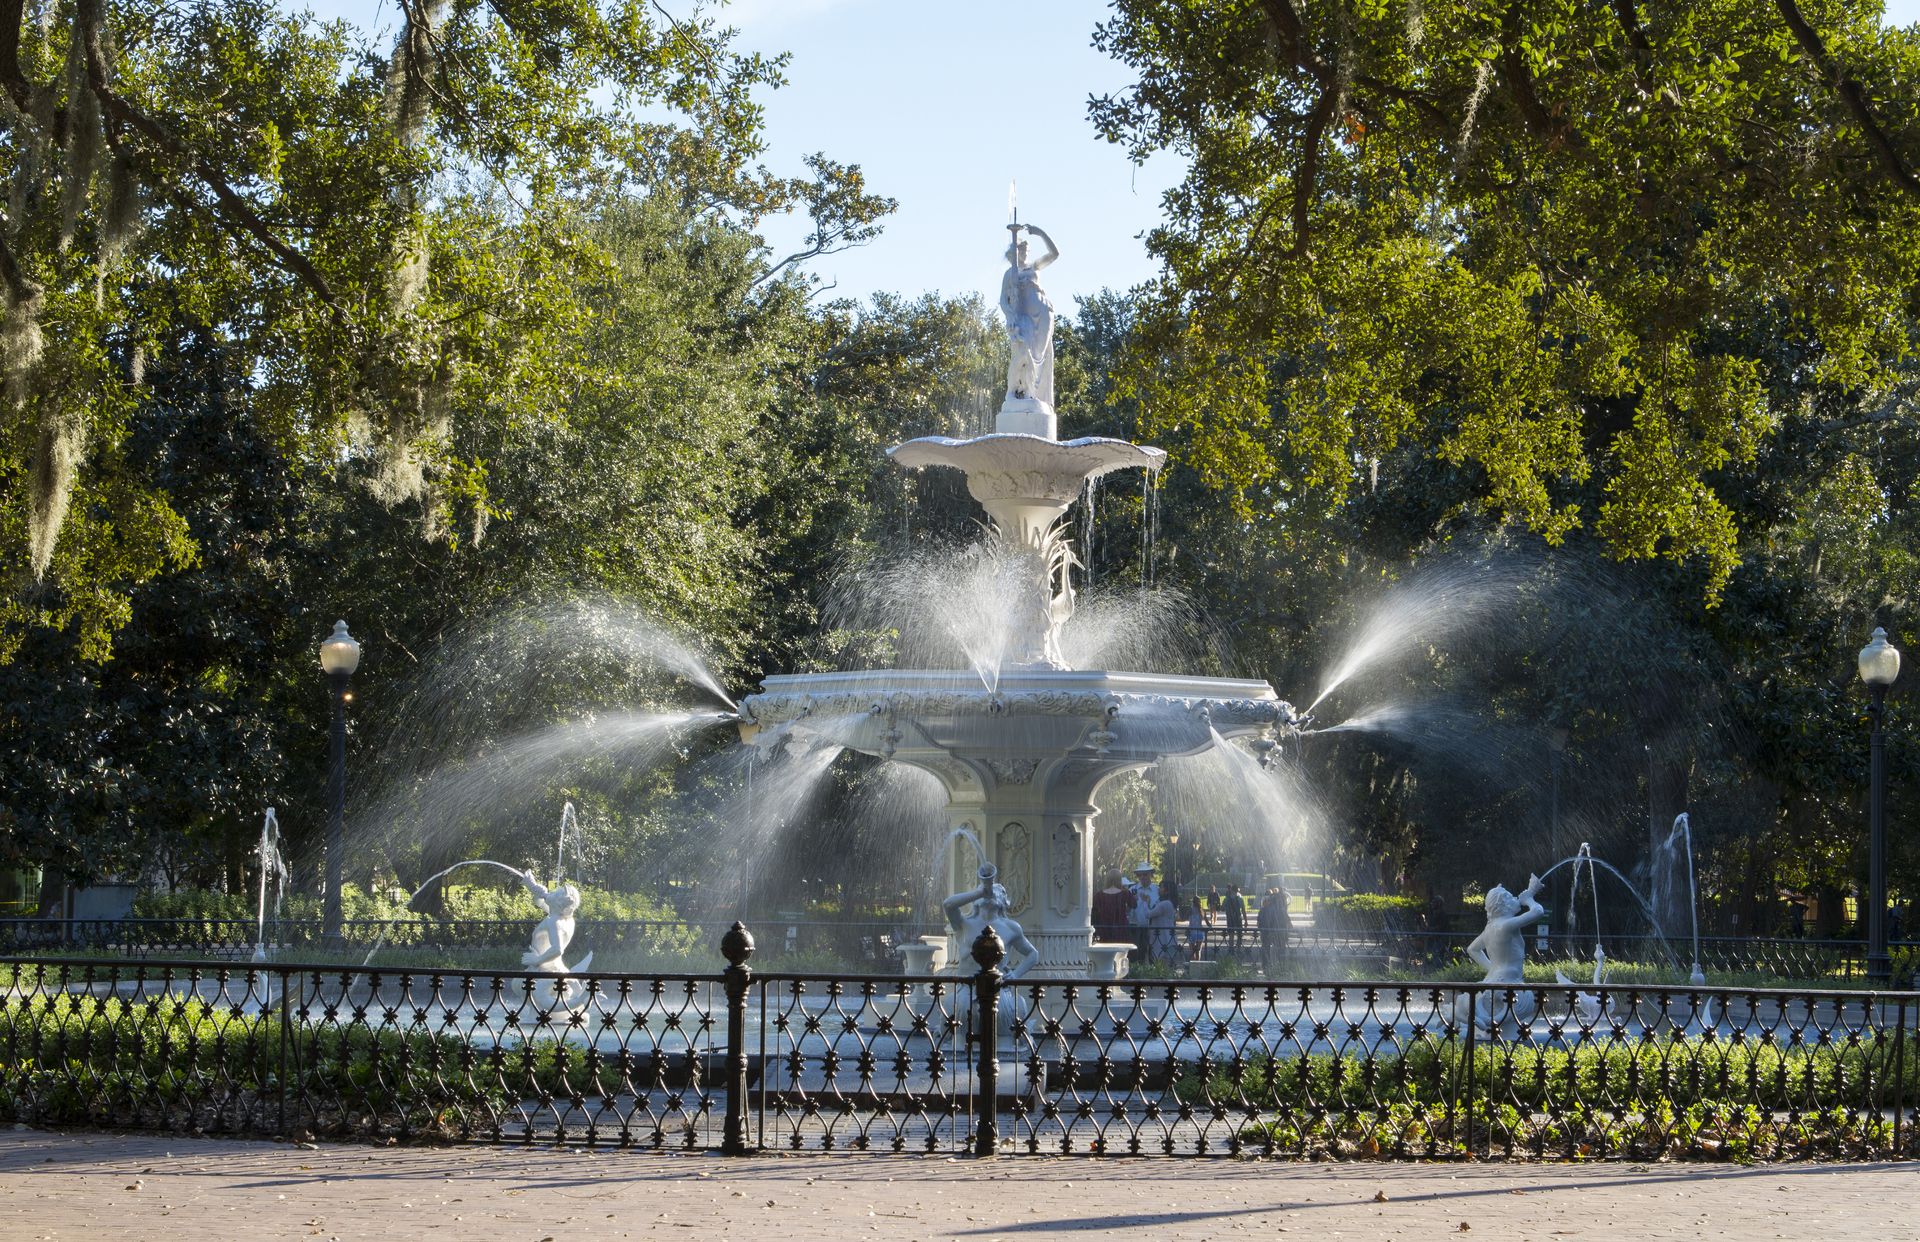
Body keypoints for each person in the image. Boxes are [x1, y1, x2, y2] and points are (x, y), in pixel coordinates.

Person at [998, 224, 1059, 408]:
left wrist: (1040, 233)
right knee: (1022, 352)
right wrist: (1010, 316)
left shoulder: (1035, 267)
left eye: (1026, 250)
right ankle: (1015, 390)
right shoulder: (1010, 273)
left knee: (1039, 355)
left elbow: (1055, 254)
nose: (1025, 253)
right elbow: (1003, 300)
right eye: (1021, 249)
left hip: (1043, 314)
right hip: (1023, 319)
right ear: (1014, 251)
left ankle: (1032, 393)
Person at [1091, 869, 1131, 946]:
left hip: (1104, 928)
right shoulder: (1125, 893)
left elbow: (1093, 909)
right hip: (1121, 928)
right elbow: (1133, 905)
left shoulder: (1099, 895)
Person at [1258, 885, 1292, 975]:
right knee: (1280, 949)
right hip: (1277, 932)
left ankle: (1267, 967)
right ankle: (1280, 968)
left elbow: (1261, 921)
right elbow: (1287, 922)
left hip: (1268, 932)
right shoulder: (1280, 909)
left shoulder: (1265, 909)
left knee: (1267, 949)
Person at [1222, 883, 1246, 953]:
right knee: (1239, 934)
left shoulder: (1226, 899)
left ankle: (1231, 948)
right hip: (1238, 918)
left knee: (1231, 934)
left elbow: (1222, 908)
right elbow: (1243, 910)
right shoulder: (1240, 899)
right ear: (1237, 891)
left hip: (1230, 919)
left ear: (1232, 890)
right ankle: (1238, 948)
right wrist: (1246, 921)